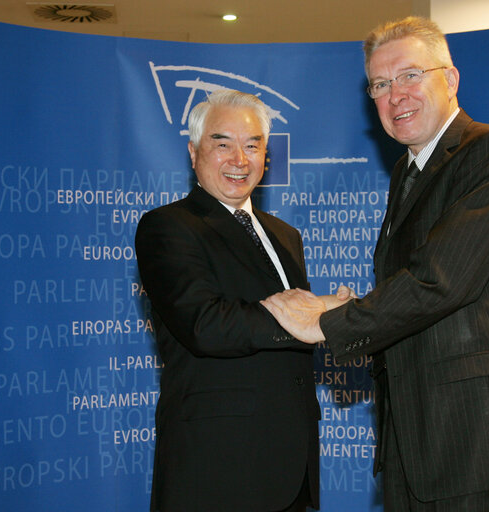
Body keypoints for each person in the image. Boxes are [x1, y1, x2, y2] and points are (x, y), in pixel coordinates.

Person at [262, 16, 489, 511]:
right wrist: (355, 306)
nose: (395, 95)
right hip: (414, 442)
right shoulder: (408, 170)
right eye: (380, 84)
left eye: (409, 75)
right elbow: (417, 285)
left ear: (451, 79)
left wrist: (326, 323)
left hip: (477, 441)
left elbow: (441, 281)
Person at [136, 90, 328, 512]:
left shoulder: (286, 236)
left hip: (291, 468)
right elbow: (206, 325)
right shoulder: (167, 227)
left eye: (253, 145)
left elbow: (299, 330)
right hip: (216, 467)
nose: (240, 159)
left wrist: (340, 318)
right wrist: (308, 317)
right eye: (222, 144)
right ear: (193, 152)